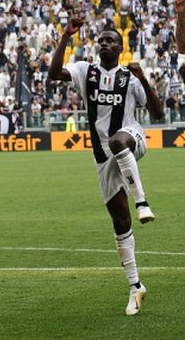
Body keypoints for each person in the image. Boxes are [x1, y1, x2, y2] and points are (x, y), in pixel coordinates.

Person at [48, 17, 163, 316]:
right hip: (102, 157)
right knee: (120, 223)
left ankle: (143, 201)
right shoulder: (86, 71)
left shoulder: (130, 76)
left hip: (131, 137)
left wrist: (144, 78)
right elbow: (53, 73)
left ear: (121, 47)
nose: (104, 44)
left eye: (110, 40)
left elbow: (158, 112)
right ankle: (135, 287)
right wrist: (65, 36)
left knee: (117, 141)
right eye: (101, 40)